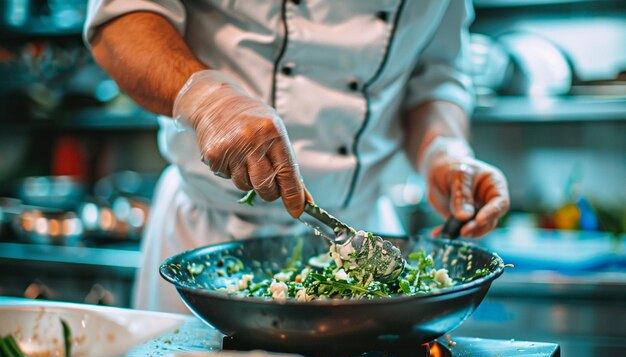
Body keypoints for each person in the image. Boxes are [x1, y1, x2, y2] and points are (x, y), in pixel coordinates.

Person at [85, 0, 509, 313]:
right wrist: (207, 100)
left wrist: (443, 149)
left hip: (366, 244)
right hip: (208, 242)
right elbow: (121, 19)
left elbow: (436, 73)